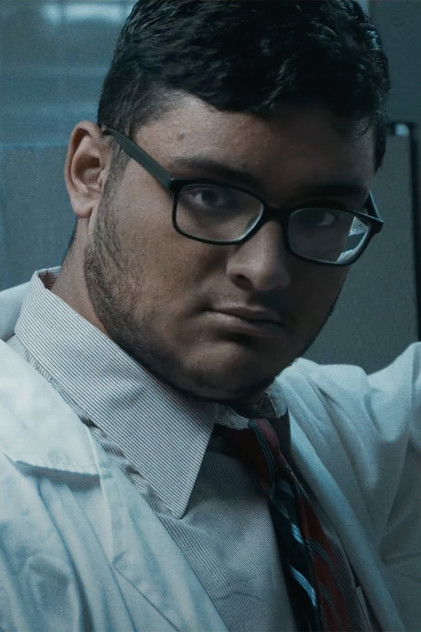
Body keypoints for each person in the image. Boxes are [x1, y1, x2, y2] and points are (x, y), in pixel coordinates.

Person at [0, 1, 419, 630]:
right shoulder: (13, 510)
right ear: (91, 173)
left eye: (322, 214)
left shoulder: (321, 432)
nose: (266, 269)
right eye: (211, 196)